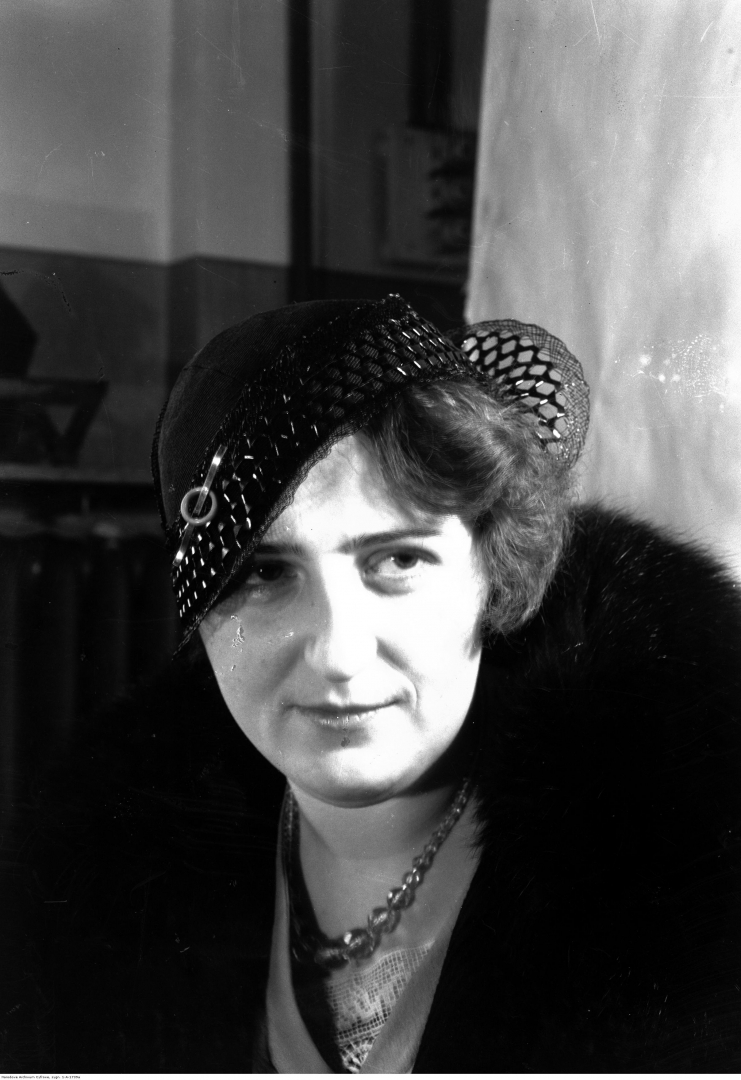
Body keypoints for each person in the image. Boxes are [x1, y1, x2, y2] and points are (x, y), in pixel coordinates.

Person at [5, 294, 741, 1072]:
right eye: (263, 573)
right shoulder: (97, 888)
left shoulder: (691, 891)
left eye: (397, 559)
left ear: (494, 576)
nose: (337, 655)